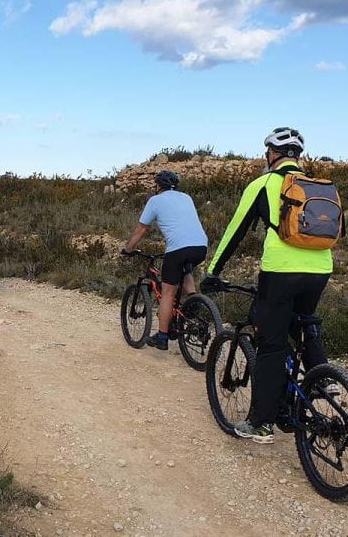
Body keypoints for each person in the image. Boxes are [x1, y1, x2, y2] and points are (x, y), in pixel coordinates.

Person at [202, 127, 333, 445]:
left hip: (280, 272)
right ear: (297, 156)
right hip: (320, 269)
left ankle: (260, 423)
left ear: (272, 154)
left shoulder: (262, 184)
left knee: (271, 345)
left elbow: (236, 232)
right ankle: (322, 383)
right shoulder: (318, 186)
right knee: (303, 326)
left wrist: (213, 271)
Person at [121, 171, 208, 351]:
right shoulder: (187, 197)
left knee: (168, 293)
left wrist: (128, 249)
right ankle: (194, 302)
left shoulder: (155, 200)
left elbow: (141, 229)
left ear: (158, 186)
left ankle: (162, 337)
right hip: (201, 246)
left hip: (178, 248)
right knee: (185, 270)